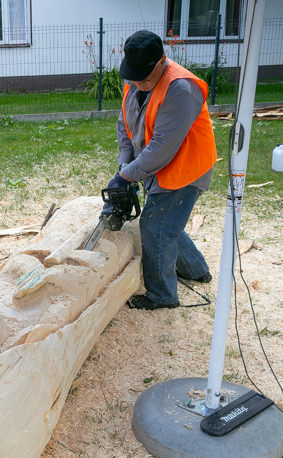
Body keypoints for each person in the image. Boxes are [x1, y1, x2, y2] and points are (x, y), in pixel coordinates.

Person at [109, 30, 217, 310]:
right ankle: (196, 270)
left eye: (144, 77)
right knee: (168, 221)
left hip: (185, 167)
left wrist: (126, 176)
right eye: (134, 77)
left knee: (156, 226)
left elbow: (161, 148)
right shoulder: (134, 81)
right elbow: (125, 124)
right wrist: (125, 163)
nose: (138, 83)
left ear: (161, 62)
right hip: (157, 163)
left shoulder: (181, 90)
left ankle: (162, 295)